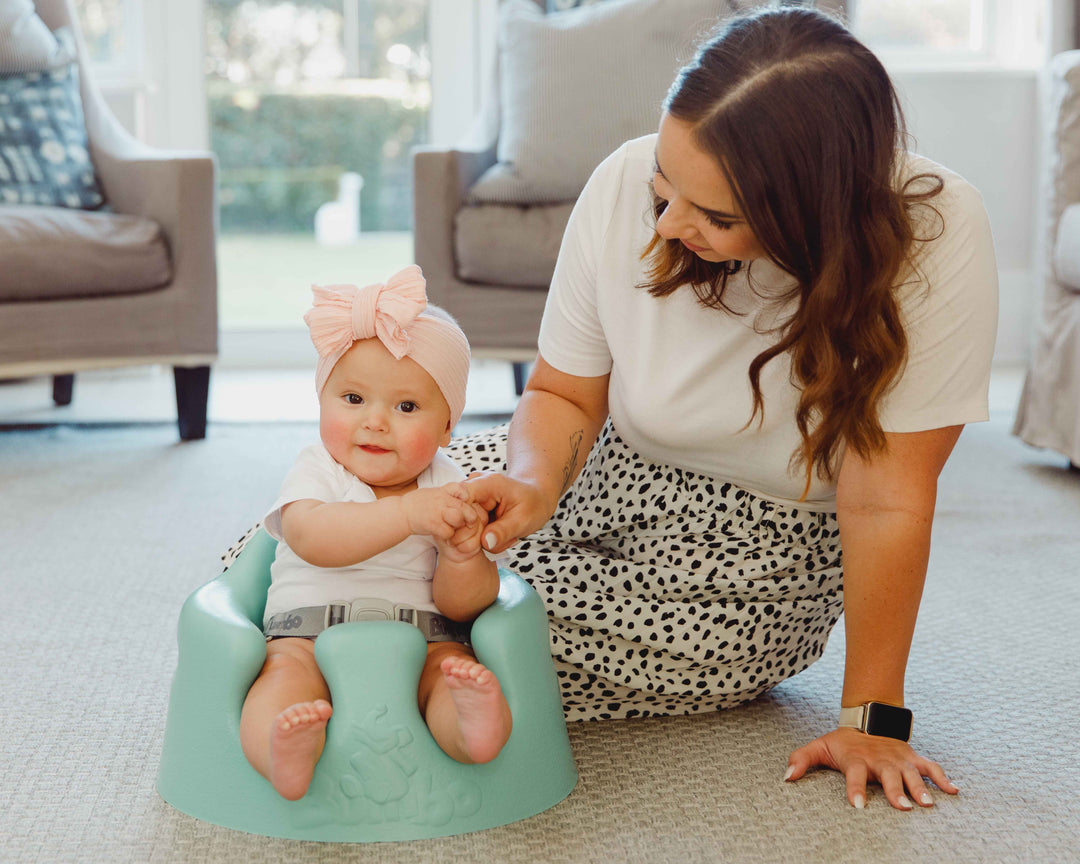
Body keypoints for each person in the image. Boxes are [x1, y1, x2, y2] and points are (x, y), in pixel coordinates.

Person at [450, 6, 997, 812]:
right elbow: (564, 394)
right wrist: (532, 485)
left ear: (816, 211)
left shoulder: (937, 232)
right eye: (664, 191)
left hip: (748, 561)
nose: (670, 225)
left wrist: (872, 719)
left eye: (716, 216)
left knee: (449, 614)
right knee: (338, 517)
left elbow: (886, 499)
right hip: (600, 471)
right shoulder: (624, 182)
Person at [239, 265, 512, 801]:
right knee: (279, 684)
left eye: (406, 407)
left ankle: (472, 731)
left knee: (452, 672)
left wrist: (462, 559)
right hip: (306, 637)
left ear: (447, 426)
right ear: (321, 401)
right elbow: (313, 538)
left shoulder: (449, 483)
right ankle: (282, 750)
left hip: (426, 637)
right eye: (353, 399)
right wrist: (408, 515)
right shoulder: (318, 468)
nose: (375, 422)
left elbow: (466, 607)